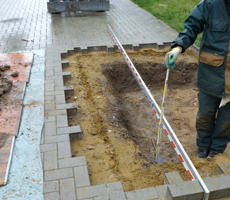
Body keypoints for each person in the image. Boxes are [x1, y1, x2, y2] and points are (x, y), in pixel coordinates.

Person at [165, 0, 230, 158]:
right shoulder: (211, 4)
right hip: (211, 74)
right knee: (205, 114)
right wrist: (177, 48)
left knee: (227, 120)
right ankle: (203, 145)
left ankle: (217, 149)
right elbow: (191, 28)